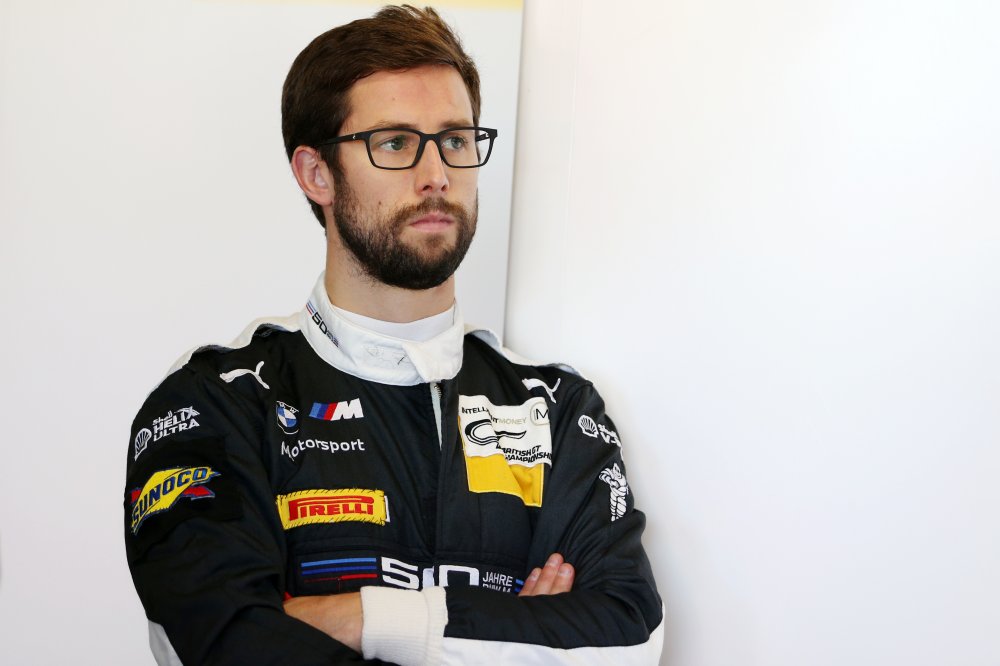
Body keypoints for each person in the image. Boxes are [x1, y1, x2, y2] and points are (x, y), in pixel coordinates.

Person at [123, 5, 663, 665]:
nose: (437, 173)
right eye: (396, 143)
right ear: (317, 174)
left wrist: (362, 618)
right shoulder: (218, 400)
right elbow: (224, 643)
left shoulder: (556, 406)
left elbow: (629, 638)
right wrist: (517, 637)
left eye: (456, 140)